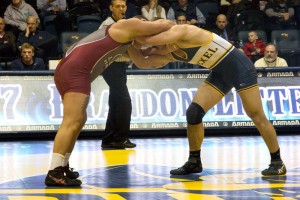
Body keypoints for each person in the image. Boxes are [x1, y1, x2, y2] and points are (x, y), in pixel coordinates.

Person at [133, 23, 287, 176]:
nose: (162, 48)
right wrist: (127, 49)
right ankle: (194, 162)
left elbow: (148, 41)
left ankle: (277, 161)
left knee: (256, 115)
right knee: (193, 113)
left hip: (241, 69)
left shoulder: (185, 31)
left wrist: (127, 36)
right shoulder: (171, 52)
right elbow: (144, 61)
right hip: (220, 73)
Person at [44, 16, 174, 186]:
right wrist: (180, 32)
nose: (149, 40)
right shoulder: (128, 25)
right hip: (76, 70)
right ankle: (54, 172)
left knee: (78, 120)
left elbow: (143, 62)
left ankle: (62, 165)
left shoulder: (127, 40)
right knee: (71, 121)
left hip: (72, 69)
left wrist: (172, 56)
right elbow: (164, 24)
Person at [99, 0, 136, 149]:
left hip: (119, 66)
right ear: (111, 8)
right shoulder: (107, 25)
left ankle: (108, 140)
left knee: (115, 103)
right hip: (110, 65)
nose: (121, 9)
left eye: (123, 6)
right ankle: (121, 138)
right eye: (118, 6)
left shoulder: (124, 23)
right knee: (124, 102)